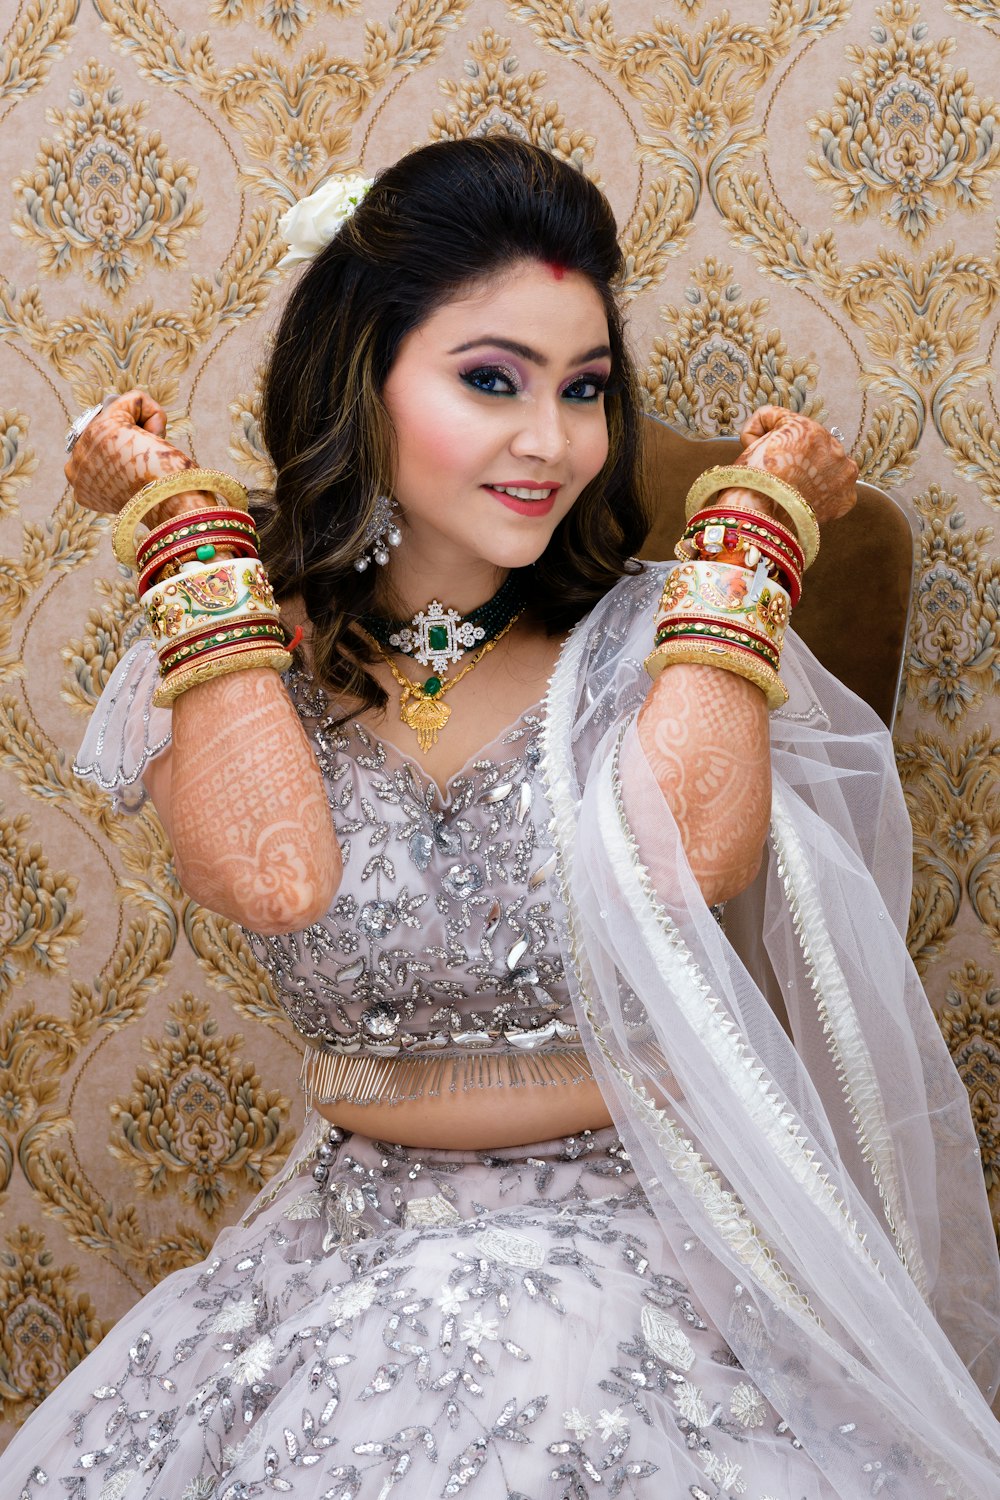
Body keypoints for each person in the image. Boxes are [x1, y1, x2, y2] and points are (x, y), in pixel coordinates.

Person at [4, 136, 999, 1498]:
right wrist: (188, 533)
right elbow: (282, 876)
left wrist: (756, 536)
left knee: (530, 1377)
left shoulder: (673, 632)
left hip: (647, 1234)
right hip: (346, 1245)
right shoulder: (229, 650)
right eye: (491, 381)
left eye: (585, 390)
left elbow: (680, 856)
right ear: (361, 382)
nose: (554, 441)